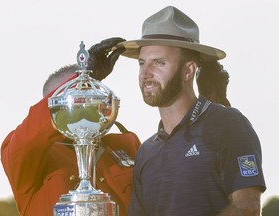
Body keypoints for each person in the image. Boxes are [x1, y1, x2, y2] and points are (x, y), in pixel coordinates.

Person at [113, 5, 266, 215]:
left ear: (188, 70)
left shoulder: (228, 124)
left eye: (158, 62)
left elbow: (247, 207)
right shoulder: (146, 152)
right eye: (142, 63)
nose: (146, 73)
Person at [0, 38, 141, 216]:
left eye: (90, 91)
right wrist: (83, 77)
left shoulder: (125, 145)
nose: (83, 103)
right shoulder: (30, 155)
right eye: (73, 96)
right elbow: (28, 138)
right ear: (51, 104)